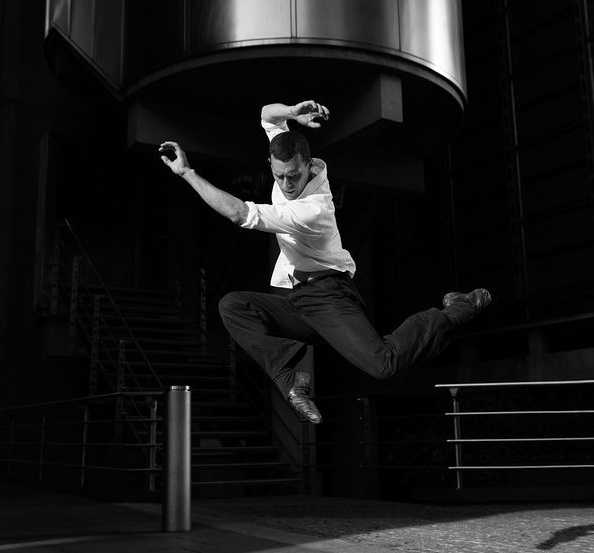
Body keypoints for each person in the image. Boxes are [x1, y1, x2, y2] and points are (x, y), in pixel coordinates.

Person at [160, 99, 491, 424]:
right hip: (300, 299)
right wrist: (290, 113)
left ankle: (455, 311)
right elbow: (265, 114)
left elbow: (238, 213)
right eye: (279, 177)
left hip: (330, 297)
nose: (286, 185)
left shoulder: (313, 210)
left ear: (308, 165)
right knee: (233, 306)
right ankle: (293, 380)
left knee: (383, 365)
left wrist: (187, 172)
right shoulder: (288, 154)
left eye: (293, 176)